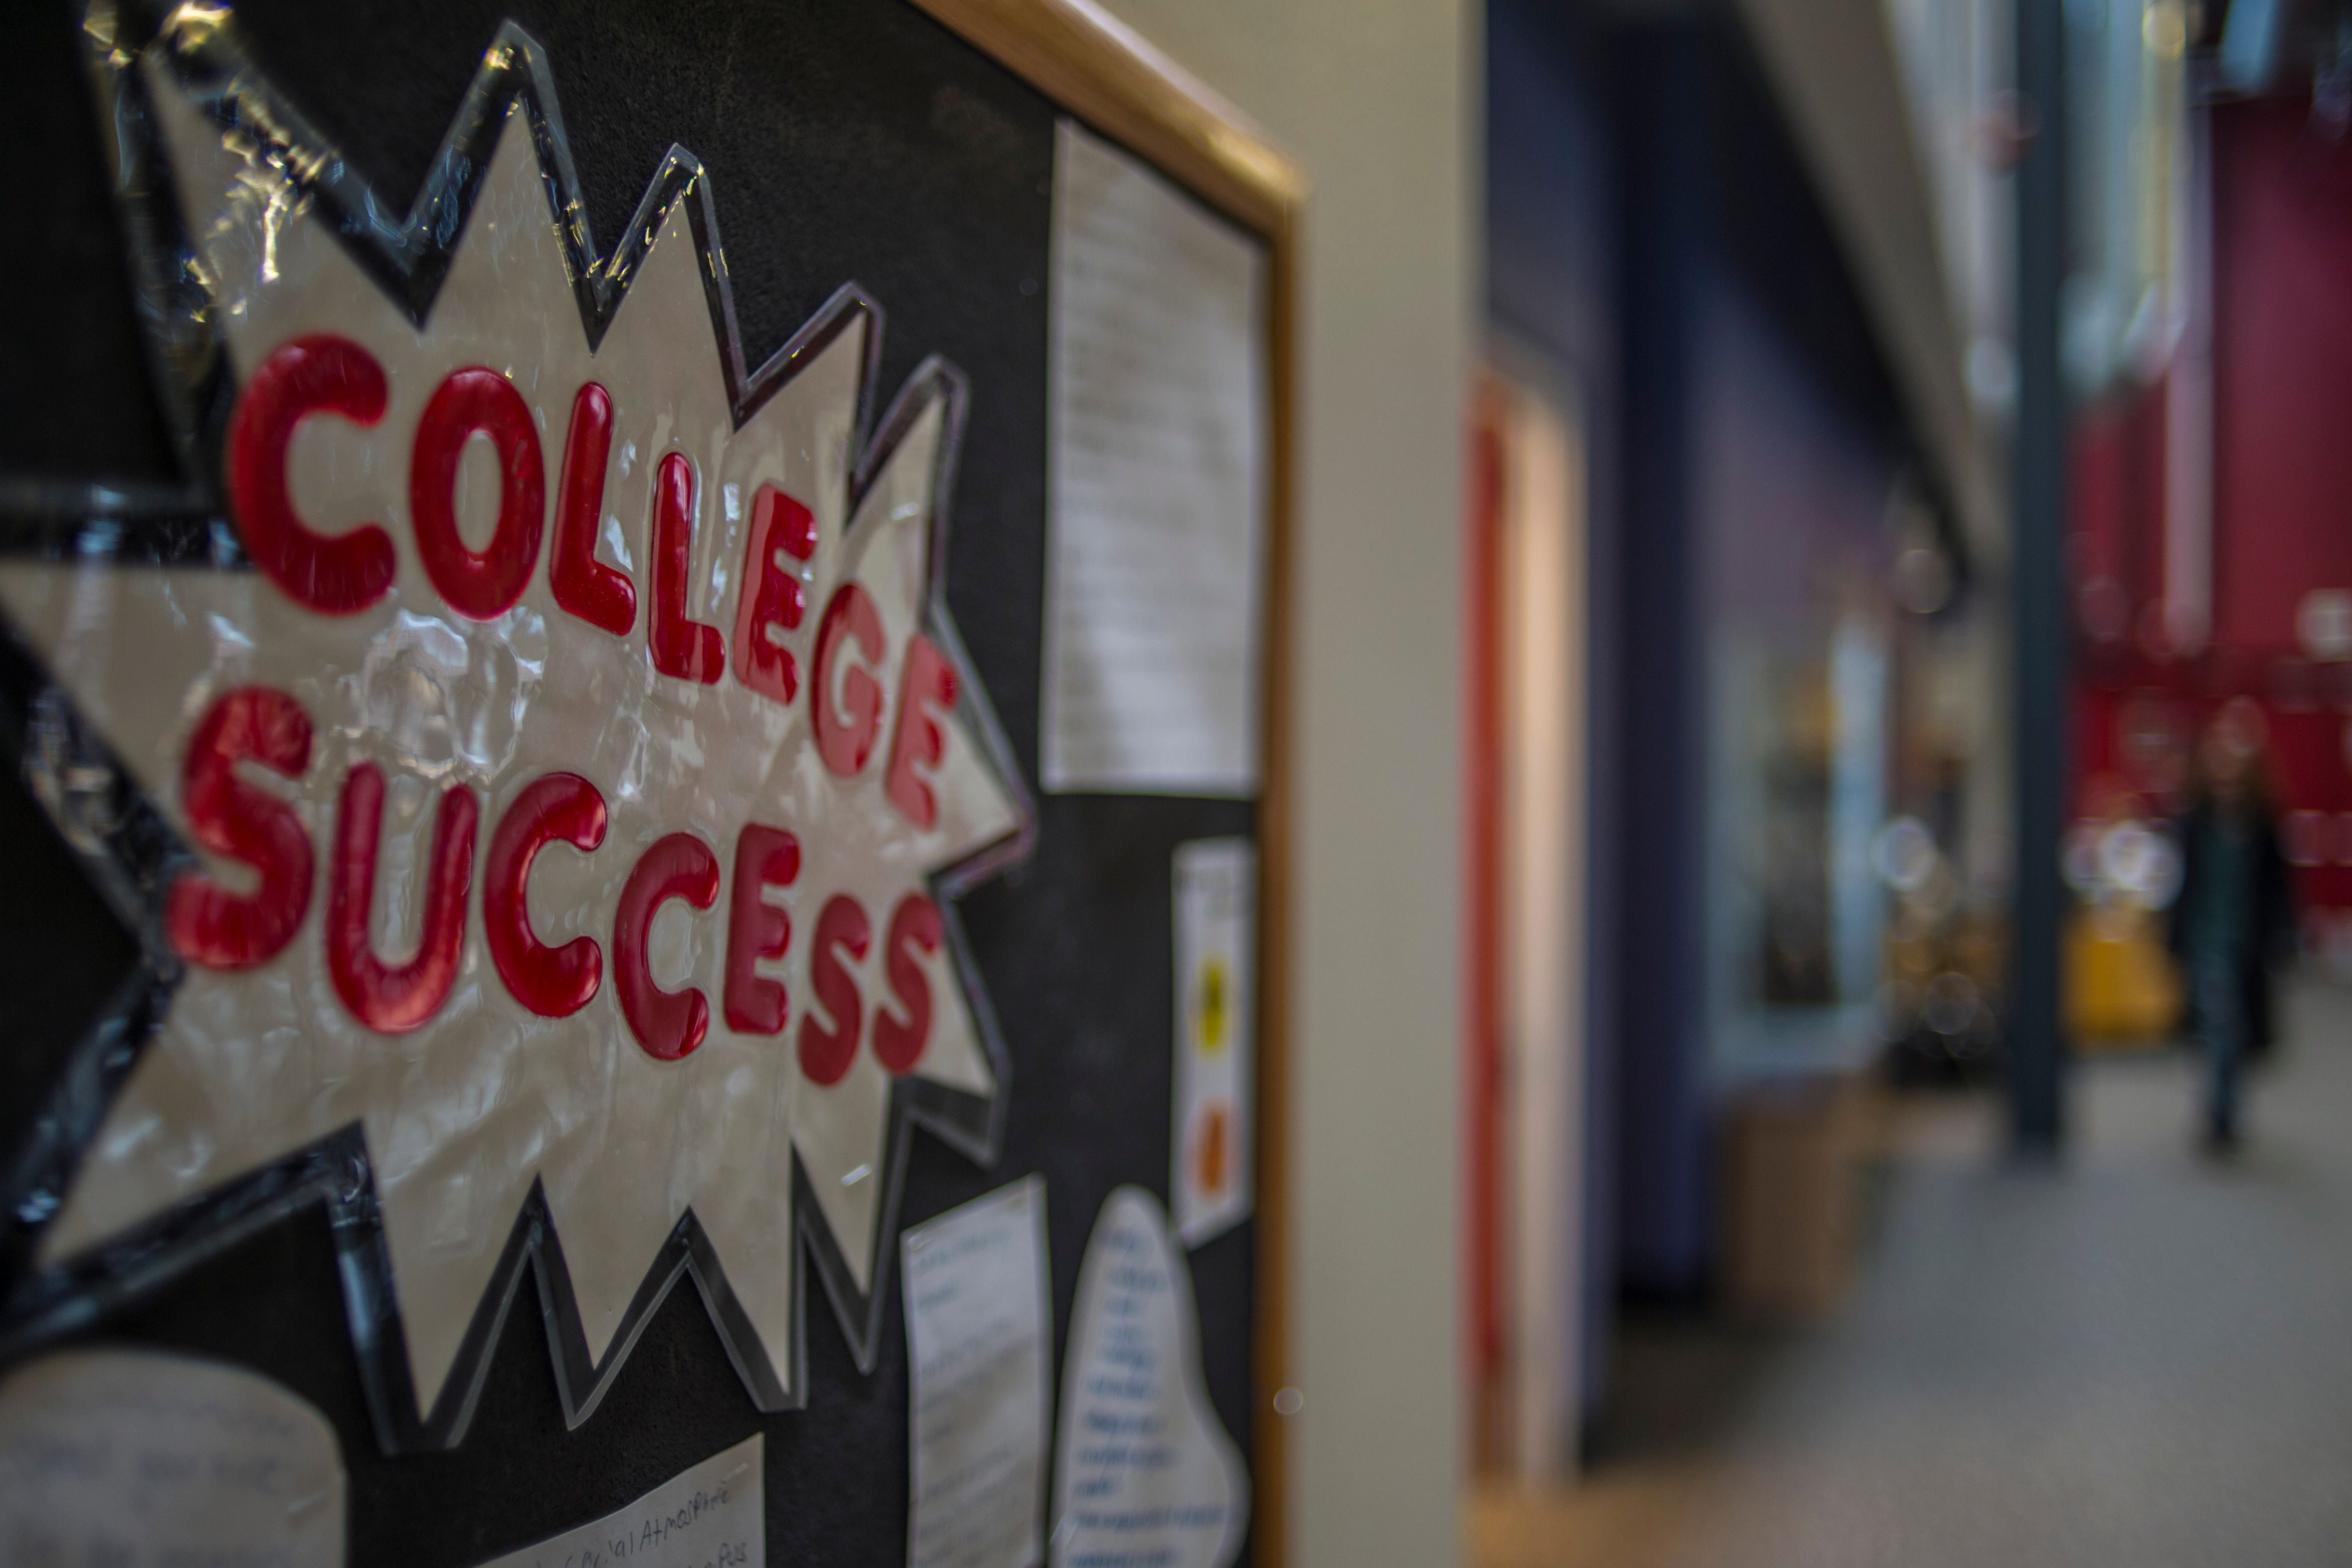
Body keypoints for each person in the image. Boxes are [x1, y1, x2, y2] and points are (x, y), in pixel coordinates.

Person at [2167, 716, 2295, 1149]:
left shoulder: (2261, 826)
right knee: (2222, 1023)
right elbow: (2182, 886)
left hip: (2246, 943)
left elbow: (2279, 888)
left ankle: (2224, 1107)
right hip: (2207, 943)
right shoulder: (2194, 825)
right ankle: (2220, 1114)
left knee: (2233, 1030)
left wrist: (2285, 936)